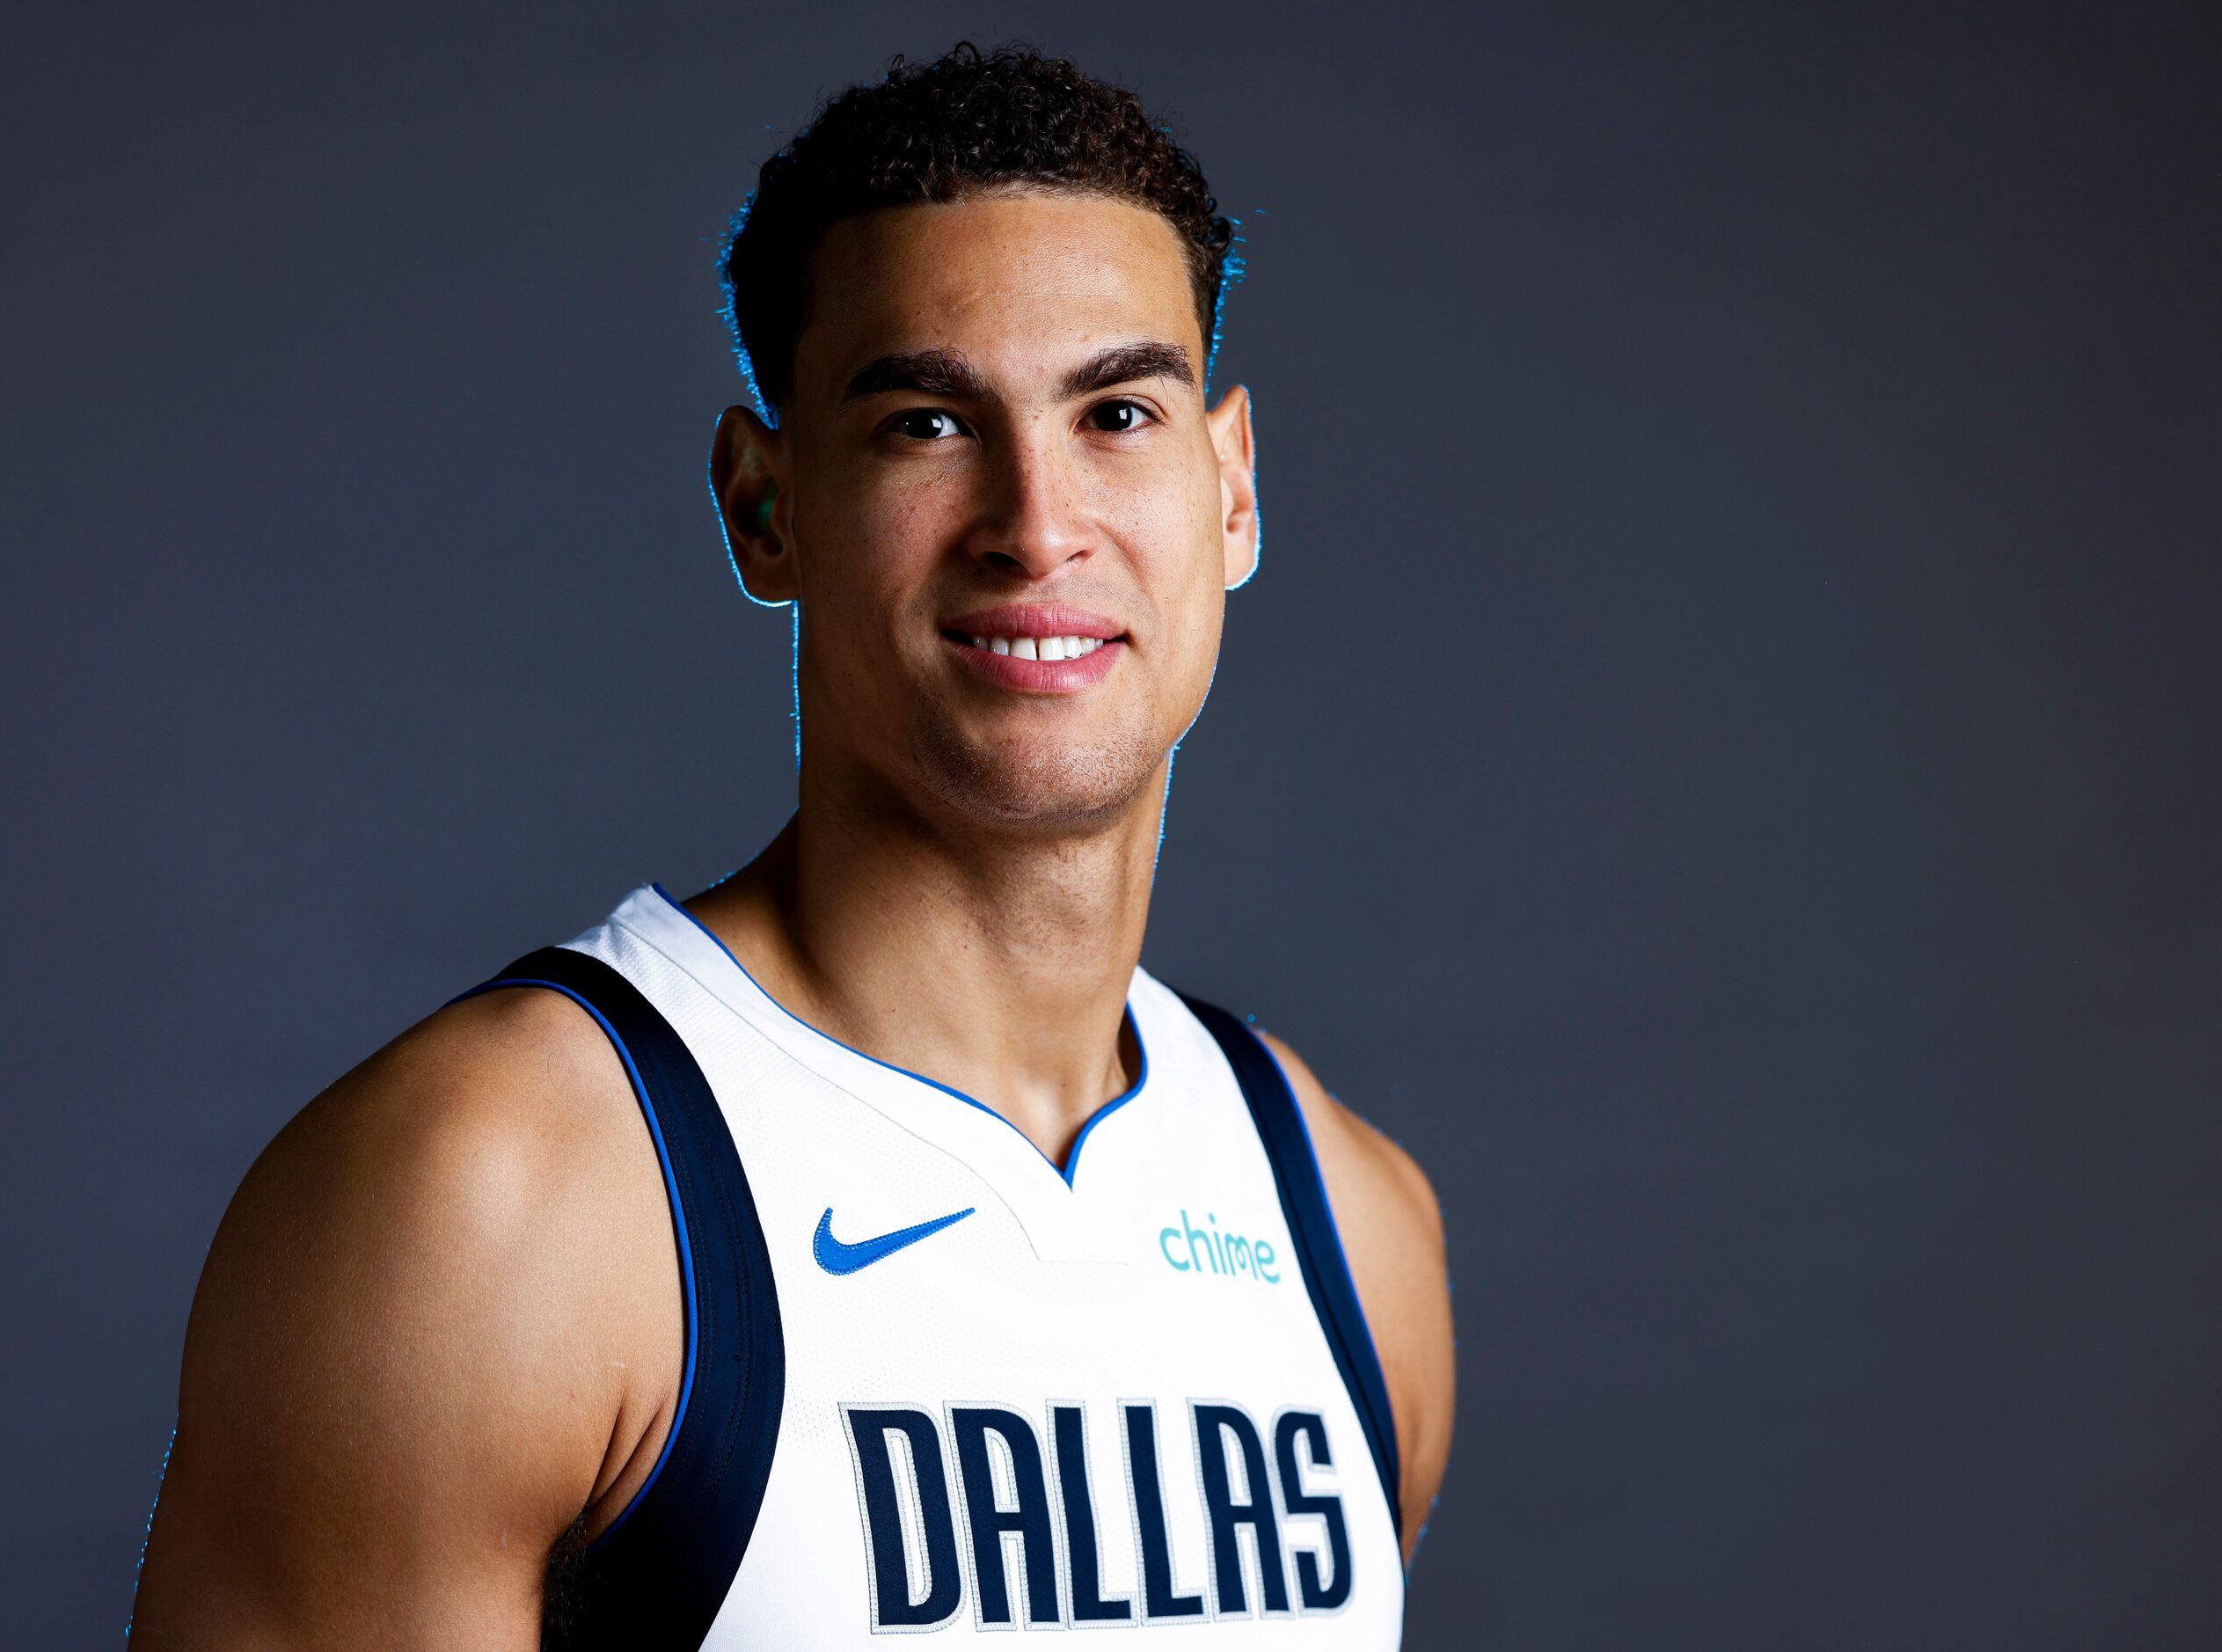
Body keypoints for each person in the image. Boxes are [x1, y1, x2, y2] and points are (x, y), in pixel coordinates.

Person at [131, 42, 1453, 1648]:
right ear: (765, 508)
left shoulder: (1346, 1219)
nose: (1036, 523)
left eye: (1116, 411)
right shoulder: (500, 1200)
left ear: (1230, 489)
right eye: (924, 422)